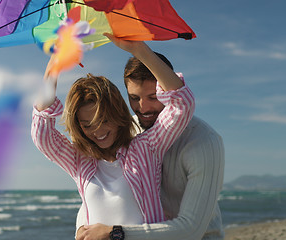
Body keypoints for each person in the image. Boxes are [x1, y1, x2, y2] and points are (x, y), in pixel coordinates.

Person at [32, 35, 195, 236]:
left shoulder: (146, 148)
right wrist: (54, 66)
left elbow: (182, 104)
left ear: (118, 113)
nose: (98, 131)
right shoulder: (79, 160)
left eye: (105, 120)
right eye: (87, 125)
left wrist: (140, 51)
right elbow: (42, 135)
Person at [75, 36, 225, 240]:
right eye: (134, 98)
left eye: (153, 97)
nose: (143, 108)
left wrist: (115, 233)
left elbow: (192, 229)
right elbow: (96, 189)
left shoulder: (203, 141)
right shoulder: (128, 130)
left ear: (165, 91)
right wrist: (83, 229)